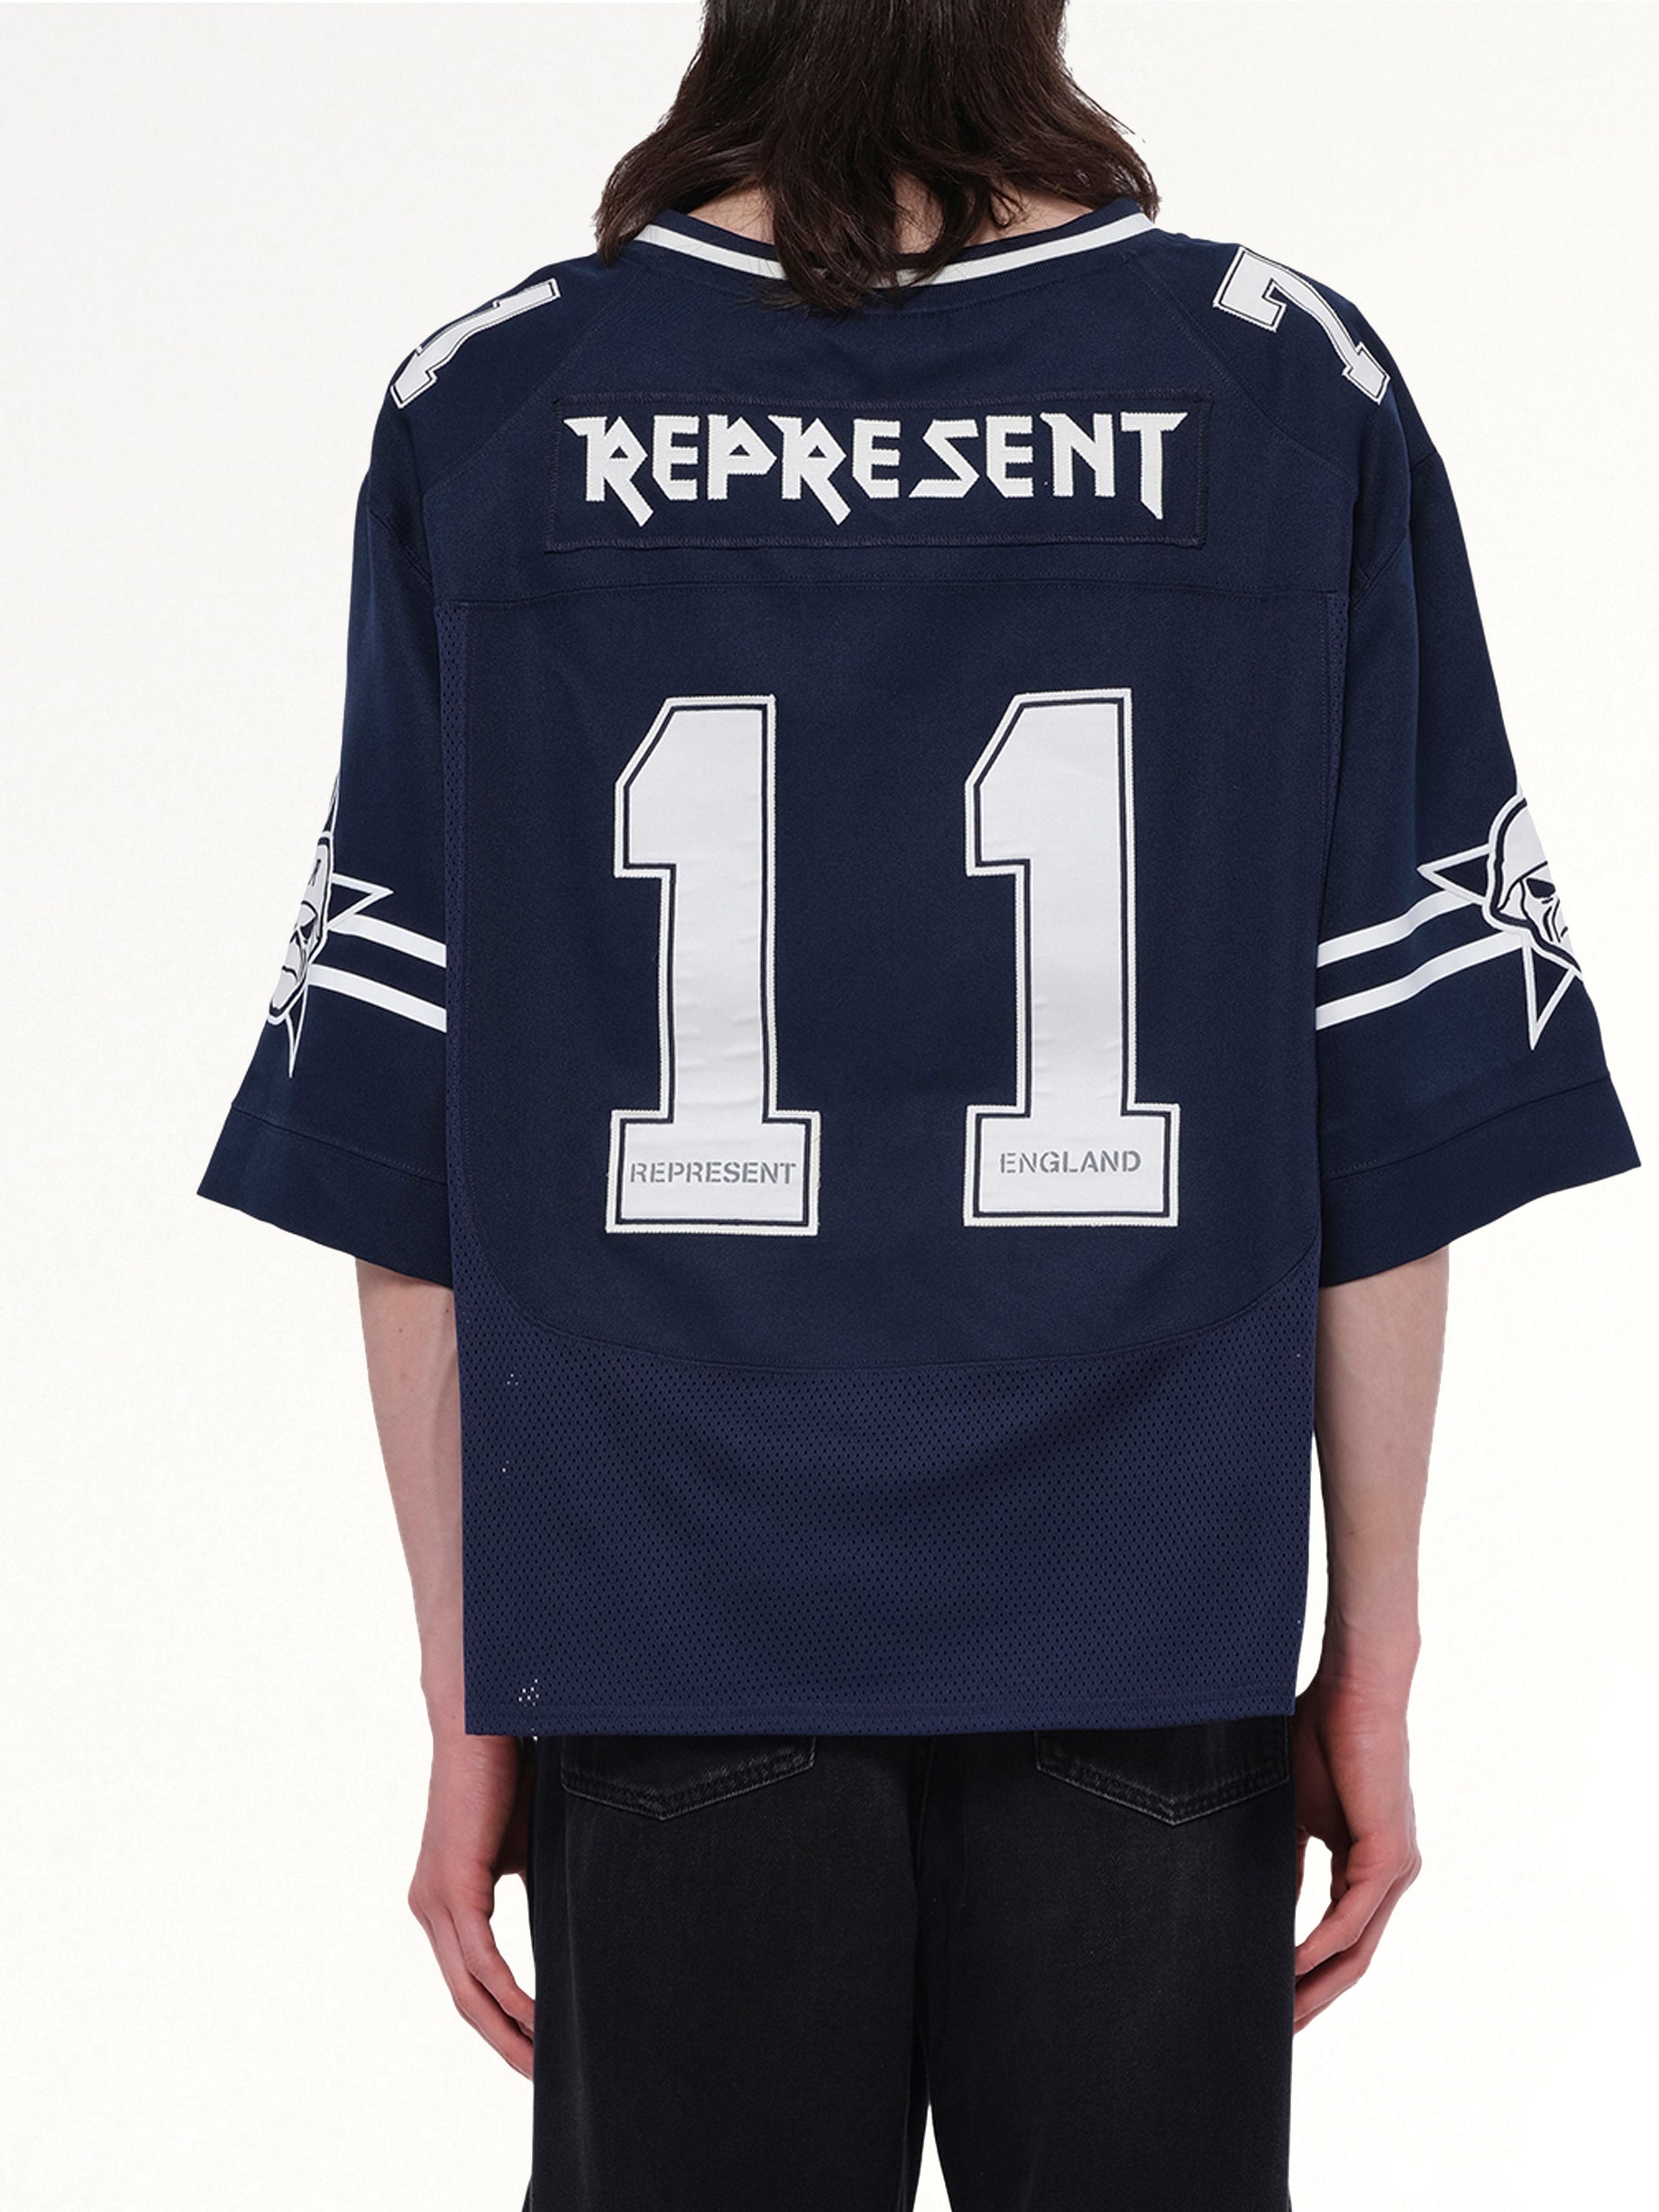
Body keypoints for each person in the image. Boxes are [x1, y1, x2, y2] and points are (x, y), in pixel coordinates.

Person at [199, 3, 1638, 2206]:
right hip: (1147, 1605)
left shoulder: (491, 406)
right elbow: (1382, 1115)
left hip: (662, 1615)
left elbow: (413, 1156)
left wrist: (473, 1688)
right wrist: (1371, 1656)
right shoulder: (1282, 388)